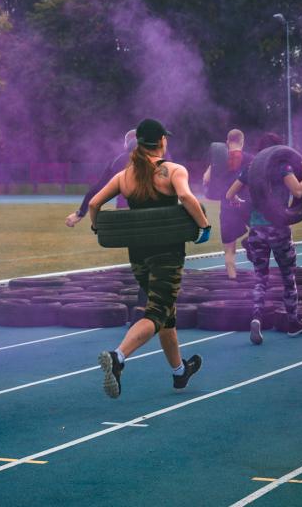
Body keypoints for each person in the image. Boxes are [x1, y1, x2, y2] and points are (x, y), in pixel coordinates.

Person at [88, 118, 209, 398]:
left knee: (166, 314)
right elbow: (188, 199)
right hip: (168, 254)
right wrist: (204, 227)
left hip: (138, 255)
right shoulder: (174, 170)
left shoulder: (125, 176)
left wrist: (96, 226)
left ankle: (180, 373)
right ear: (162, 141)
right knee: (156, 312)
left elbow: (95, 204)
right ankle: (118, 357)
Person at [225, 133, 302, 345]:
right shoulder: (283, 167)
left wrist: (240, 201)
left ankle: (256, 318)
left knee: (260, 277)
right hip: (279, 229)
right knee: (288, 276)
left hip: (256, 231)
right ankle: (293, 322)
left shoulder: (251, 168)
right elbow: (299, 192)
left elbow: (229, 195)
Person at [201, 129, 252, 279]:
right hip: (246, 204)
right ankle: (250, 244)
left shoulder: (219, 160)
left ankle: (233, 280)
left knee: (229, 251)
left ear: (227, 142)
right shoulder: (250, 158)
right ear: (242, 141)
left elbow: (206, 180)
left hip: (227, 207)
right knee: (261, 234)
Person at [65, 129, 136, 227]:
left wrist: (80, 213)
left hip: (126, 210)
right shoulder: (154, 161)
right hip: (146, 210)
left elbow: (98, 189)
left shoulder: (117, 162)